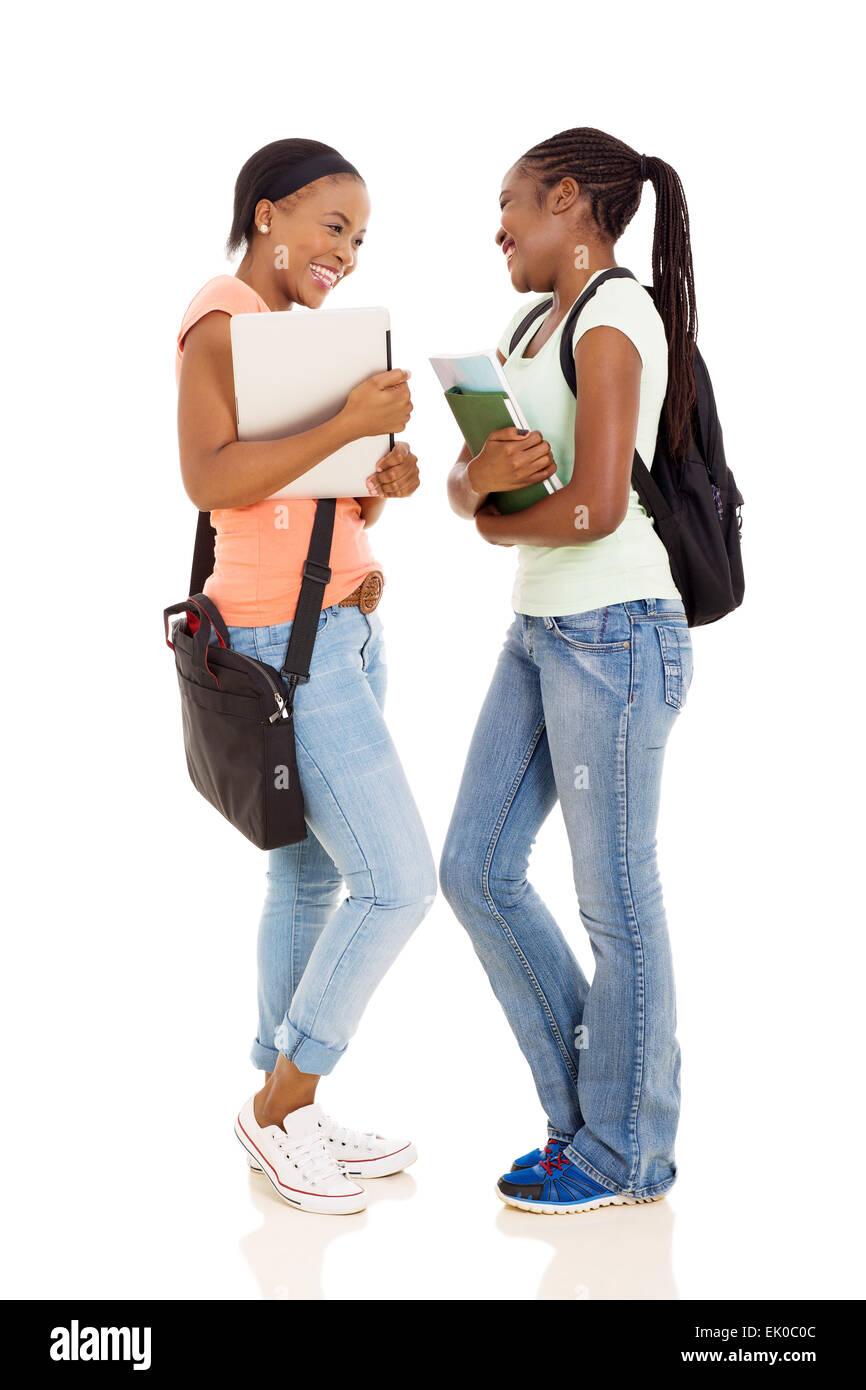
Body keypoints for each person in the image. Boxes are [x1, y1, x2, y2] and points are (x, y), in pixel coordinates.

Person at [175, 139, 436, 1215]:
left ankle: (289, 1113)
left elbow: (292, 495)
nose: (347, 254)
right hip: (289, 638)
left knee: (311, 877)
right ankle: (282, 1102)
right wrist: (345, 424)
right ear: (271, 212)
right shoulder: (220, 317)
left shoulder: (295, 341)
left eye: (361, 239)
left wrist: (379, 481)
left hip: (347, 626)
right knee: (398, 879)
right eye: (334, 227)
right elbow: (208, 475)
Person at [440, 126, 697, 1214]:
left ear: (567, 201)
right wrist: (473, 485)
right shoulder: (520, 323)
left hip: (617, 630)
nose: (496, 227)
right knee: (474, 866)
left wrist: (496, 523)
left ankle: (626, 1152)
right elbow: (471, 482)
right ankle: (583, 1123)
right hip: (541, 627)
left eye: (509, 205)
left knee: (613, 900)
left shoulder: (615, 314)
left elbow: (592, 505)